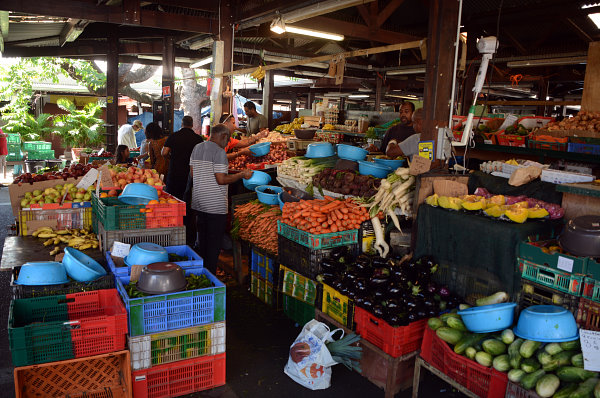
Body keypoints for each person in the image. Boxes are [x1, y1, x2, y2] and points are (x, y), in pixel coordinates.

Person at [189, 123, 253, 274]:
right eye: (228, 139)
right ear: (224, 136)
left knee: (203, 243)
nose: (227, 142)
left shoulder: (197, 147)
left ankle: (202, 275)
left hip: (199, 203)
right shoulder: (219, 152)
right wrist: (241, 174)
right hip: (215, 207)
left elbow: (192, 174)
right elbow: (221, 179)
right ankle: (211, 277)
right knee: (213, 246)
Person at [162, 116, 204, 200]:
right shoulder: (198, 139)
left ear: (182, 124)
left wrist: (171, 158)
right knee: (187, 196)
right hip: (190, 172)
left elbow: (164, 152)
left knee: (172, 197)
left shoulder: (173, 136)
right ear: (192, 125)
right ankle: (186, 212)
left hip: (174, 170)